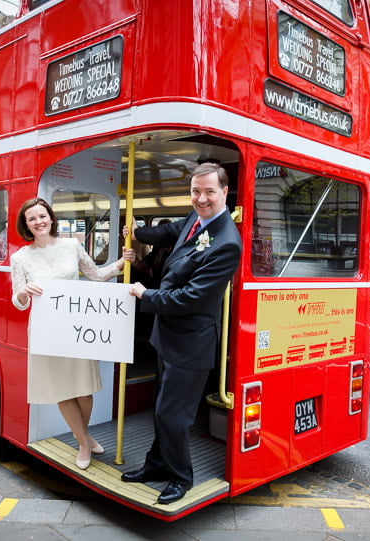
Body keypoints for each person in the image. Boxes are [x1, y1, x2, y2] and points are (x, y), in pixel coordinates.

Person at [121, 163, 242, 505]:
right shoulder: (196, 218)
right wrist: (138, 233)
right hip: (166, 337)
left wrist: (145, 294)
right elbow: (173, 230)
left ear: (224, 193)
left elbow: (190, 298)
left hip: (191, 344)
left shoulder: (227, 242)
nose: (201, 198)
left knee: (171, 415)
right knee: (161, 407)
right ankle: (156, 465)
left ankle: (180, 477)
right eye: (195, 191)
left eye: (209, 192)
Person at [10, 197, 134, 470]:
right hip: (45, 332)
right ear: (26, 225)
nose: (38, 222)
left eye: (42, 216)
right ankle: (82, 442)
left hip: (76, 328)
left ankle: (84, 436)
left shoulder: (71, 245)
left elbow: (97, 276)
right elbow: (18, 303)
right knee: (62, 391)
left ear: (51, 218)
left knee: (84, 390)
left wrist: (121, 263)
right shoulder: (19, 258)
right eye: (32, 219)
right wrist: (22, 292)